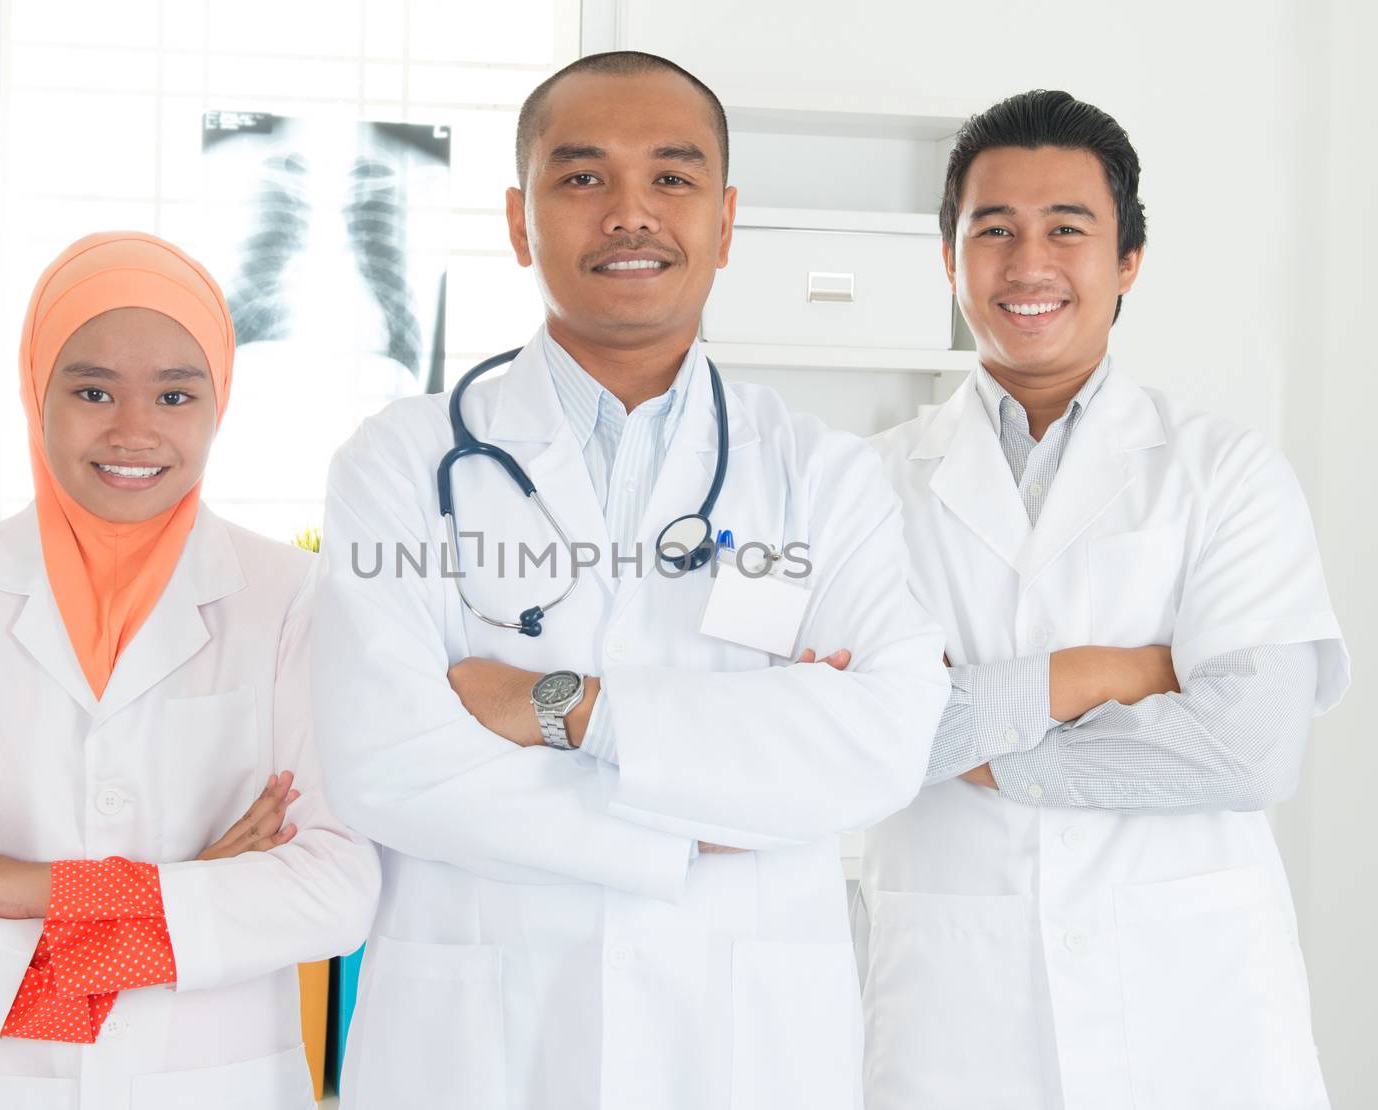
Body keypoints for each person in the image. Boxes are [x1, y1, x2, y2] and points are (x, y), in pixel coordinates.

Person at [310, 51, 948, 1110]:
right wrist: (702, 820)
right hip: (482, 1036)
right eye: (581, 178)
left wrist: (566, 711)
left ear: (726, 220)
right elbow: (386, 762)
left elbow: (881, 740)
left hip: (737, 1040)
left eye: (672, 177)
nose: (628, 213)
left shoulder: (822, 474)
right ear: (518, 220)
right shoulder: (400, 463)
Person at [0, 231, 380, 1109]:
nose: (133, 430)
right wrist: (190, 899)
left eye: (175, 393)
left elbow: (335, 890)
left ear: (218, 403)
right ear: (36, 392)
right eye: (91, 390)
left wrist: (21, 891)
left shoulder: (291, 598)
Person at [860, 90, 1349, 1110]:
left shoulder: (1224, 474)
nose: (1026, 264)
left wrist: (976, 742)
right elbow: (842, 735)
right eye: (991, 230)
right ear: (946, 259)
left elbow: (1246, 747)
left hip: (1193, 1011)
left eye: (1066, 230)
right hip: (956, 1015)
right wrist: (1099, 674)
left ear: (1127, 260)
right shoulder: (862, 490)